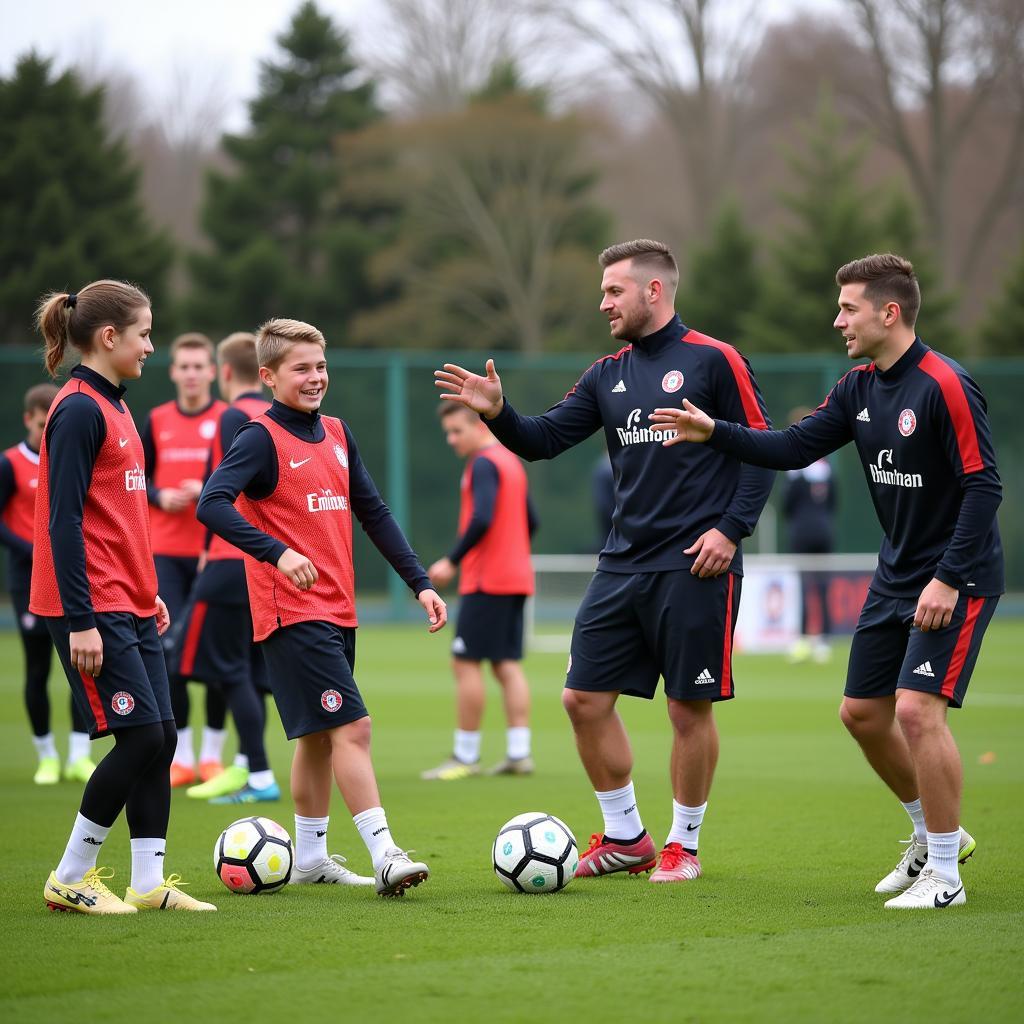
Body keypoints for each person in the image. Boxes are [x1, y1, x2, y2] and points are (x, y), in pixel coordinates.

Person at [650, 253, 1001, 909]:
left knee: (919, 712)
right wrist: (714, 431)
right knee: (862, 714)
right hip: (897, 573)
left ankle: (947, 876)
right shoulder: (857, 388)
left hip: (959, 574)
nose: (836, 318)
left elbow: (985, 487)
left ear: (888, 313)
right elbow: (790, 447)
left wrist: (949, 579)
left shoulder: (944, 384)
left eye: (848, 307)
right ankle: (929, 836)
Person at [435, 239, 774, 885]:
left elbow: (761, 452)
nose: (603, 302)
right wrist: (499, 411)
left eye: (614, 290)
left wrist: (731, 532)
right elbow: (544, 440)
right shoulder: (606, 373)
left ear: (654, 290)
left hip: (696, 564)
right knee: (582, 700)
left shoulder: (715, 360)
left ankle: (684, 845)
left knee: (686, 709)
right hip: (622, 564)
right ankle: (626, 837)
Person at [198, 317, 448, 896]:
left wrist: (419, 582)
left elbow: (375, 512)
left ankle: (309, 858)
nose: (316, 378)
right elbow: (212, 504)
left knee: (316, 735)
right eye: (301, 369)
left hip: (338, 612)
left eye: (321, 366)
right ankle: (386, 854)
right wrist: (277, 553)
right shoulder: (259, 437)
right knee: (352, 727)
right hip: (291, 613)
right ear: (267, 376)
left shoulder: (336, 431)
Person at [32, 280, 215, 914]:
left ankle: (147, 882)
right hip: (89, 607)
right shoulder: (79, 408)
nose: (151, 346)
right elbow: (62, 522)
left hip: (129, 599)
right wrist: (82, 620)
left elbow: (117, 515)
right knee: (139, 739)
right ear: (109, 337)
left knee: (162, 736)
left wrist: (148, 591)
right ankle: (70, 876)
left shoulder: (116, 405)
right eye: (144, 333)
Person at [166, 332, 279, 805]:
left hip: (231, 562)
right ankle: (243, 768)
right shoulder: (278, 418)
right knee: (249, 673)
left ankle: (255, 773)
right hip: (265, 565)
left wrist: (214, 547)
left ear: (224, 372)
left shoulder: (234, 415)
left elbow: (221, 497)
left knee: (177, 661)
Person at [423, 402, 538, 780]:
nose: (451, 439)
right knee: (506, 664)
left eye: (457, 430)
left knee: (465, 662)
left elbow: (483, 516)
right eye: (447, 433)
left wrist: (452, 560)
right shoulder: (510, 461)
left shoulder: (484, 464)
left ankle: (465, 755)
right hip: (517, 577)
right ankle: (519, 753)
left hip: (487, 580)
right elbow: (531, 520)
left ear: (479, 425)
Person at [141, 333, 229, 786]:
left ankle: (213, 756)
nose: (192, 374)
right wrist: (161, 494)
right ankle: (182, 757)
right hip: (165, 556)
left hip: (213, 556)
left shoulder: (227, 419)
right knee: (169, 654)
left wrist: (207, 488)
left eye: (200, 366)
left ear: (213, 372)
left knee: (215, 659)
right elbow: (136, 481)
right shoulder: (156, 420)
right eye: (184, 366)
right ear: (173, 371)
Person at [1, 383, 97, 784]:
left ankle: (79, 754)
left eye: (50, 426)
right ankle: (46, 756)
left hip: (74, 578)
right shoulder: (9, 464)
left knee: (82, 667)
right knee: (37, 667)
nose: (46, 434)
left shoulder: (72, 457)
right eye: (41, 425)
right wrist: (34, 547)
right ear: (29, 420)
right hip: (29, 579)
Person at [782, 405, 837, 663]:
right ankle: (820, 640)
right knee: (821, 587)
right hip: (823, 532)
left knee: (808, 587)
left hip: (803, 534)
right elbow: (833, 504)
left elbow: (787, 506)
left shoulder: (796, 470)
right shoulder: (826, 469)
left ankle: (808, 639)